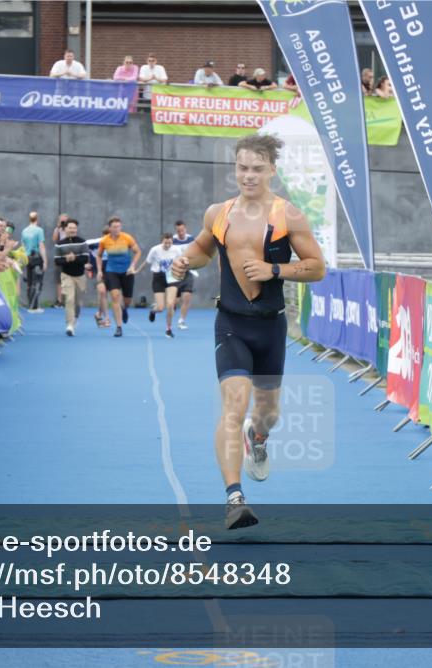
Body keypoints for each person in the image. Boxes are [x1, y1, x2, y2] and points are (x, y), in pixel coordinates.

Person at [170, 134, 325, 529]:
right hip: (231, 325)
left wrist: (276, 269)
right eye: (242, 167)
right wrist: (187, 261)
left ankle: (259, 438)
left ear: (272, 170)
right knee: (232, 409)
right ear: (235, 168)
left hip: (271, 326)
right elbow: (205, 249)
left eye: (257, 168)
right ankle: (234, 498)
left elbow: (316, 267)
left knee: (267, 414)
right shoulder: (219, 213)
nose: (249, 175)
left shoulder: (287, 215)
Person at [95, 216, 140, 337]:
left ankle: (124, 309)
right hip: (111, 271)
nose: (117, 229)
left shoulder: (127, 238)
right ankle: (119, 327)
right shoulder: (104, 241)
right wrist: (99, 270)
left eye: (119, 226)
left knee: (127, 300)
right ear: (109, 228)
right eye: (114, 227)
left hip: (127, 272)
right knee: (115, 297)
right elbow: (98, 256)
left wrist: (133, 266)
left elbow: (138, 252)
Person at [140, 232, 183, 338]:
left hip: (172, 277)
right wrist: (136, 270)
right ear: (162, 241)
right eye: (165, 243)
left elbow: (181, 261)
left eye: (169, 243)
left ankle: (168, 329)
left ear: (172, 241)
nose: (167, 245)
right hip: (158, 277)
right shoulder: (155, 249)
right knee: (160, 307)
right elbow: (147, 262)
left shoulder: (176, 250)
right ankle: (153, 311)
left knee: (170, 305)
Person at [56, 218, 88, 336]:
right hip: (66, 275)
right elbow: (57, 261)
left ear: (77, 229)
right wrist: (66, 259)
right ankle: (69, 325)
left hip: (80, 276)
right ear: (65, 229)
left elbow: (85, 258)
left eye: (74, 228)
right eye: (70, 228)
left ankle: (75, 319)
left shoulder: (82, 242)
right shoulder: (60, 244)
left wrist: (74, 258)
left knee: (78, 302)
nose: (72, 230)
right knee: (69, 299)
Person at [171, 220, 196, 329]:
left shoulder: (192, 240)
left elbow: (197, 254)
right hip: (175, 273)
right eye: (178, 231)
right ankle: (171, 313)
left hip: (188, 272)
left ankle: (181, 320)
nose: (180, 232)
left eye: (182, 230)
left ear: (185, 229)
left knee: (186, 297)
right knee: (175, 301)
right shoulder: (172, 240)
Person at [21, 211, 47, 312]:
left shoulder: (24, 231)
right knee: (37, 281)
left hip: (27, 258)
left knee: (29, 282)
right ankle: (34, 306)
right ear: (37, 219)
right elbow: (41, 246)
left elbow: (22, 247)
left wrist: (22, 260)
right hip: (36, 258)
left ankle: (30, 305)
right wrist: (44, 260)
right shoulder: (39, 230)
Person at [52, 212, 71, 308]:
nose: (63, 222)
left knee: (69, 279)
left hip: (69, 256)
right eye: (62, 220)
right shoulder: (57, 229)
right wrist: (58, 228)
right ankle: (59, 300)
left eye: (65, 220)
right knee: (59, 280)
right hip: (60, 256)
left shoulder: (71, 229)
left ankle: (68, 300)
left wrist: (66, 229)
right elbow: (54, 239)